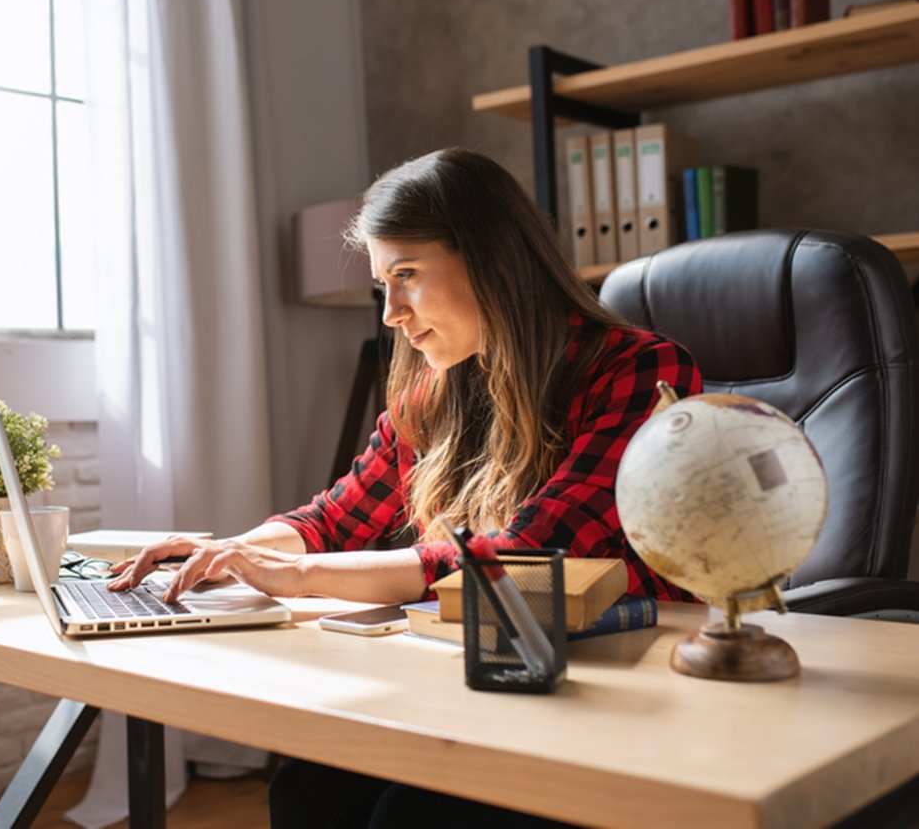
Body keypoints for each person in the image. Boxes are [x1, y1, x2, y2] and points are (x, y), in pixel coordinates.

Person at [109, 147, 702, 828]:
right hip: (490, 675)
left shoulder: (639, 368)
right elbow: (334, 519)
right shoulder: (435, 392)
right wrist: (227, 553)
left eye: (408, 275)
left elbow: (522, 559)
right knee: (307, 790)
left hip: (622, 685)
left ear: (494, 260)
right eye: (382, 284)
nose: (391, 312)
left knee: (410, 817)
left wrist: (297, 575)